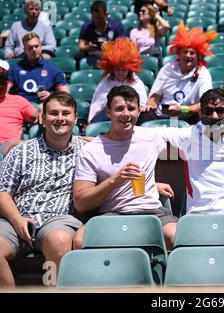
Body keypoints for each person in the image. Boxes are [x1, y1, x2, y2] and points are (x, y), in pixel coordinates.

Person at [0, 92, 84, 287]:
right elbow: (3, 193)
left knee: (59, 240)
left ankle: (51, 288)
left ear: (75, 119)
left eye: (66, 113)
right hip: (17, 219)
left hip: (58, 219)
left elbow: (113, 143)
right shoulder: (21, 151)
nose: (60, 118)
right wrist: (17, 219)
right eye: (53, 113)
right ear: (42, 119)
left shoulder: (86, 151)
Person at [158, 87, 224, 248]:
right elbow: (143, 138)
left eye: (220, 110)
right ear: (201, 114)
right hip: (199, 217)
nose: (214, 116)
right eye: (208, 111)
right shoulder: (189, 135)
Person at [72, 85, 178, 250]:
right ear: (108, 112)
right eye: (119, 109)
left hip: (151, 211)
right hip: (112, 214)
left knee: (176, 235)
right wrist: (115, 180)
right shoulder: (92, 150)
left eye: (131, 108)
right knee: (80, 241)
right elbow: (81, 203)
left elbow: (193, 142)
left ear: (138, 111)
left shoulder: (151, 137)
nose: (126, 114)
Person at [144, 21, 216, 124]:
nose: (188, 56)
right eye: (185, 52)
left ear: (198, 56)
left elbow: (205, 103)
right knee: (144, 114)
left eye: (192, 53)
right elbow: (154, 97)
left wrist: (183, 109)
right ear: (178, 53)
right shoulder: (167, 69)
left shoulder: (203, 74)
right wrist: (150, 105)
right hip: (162, 116)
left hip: (187, 118)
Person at [0, 66, 37, 156]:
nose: (0, 86)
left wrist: (41, 113)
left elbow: (36, 117)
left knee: (22, 145)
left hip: (7, 146)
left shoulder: (18, 100)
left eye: (3, 83)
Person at [88, 38, 148, 123]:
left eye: (123, 70)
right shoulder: (105, 82)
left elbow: (142, 104)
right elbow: (96, 105)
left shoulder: (136, 82)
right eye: (117, 70)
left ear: (129, 70)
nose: (120, 73)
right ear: (112, 69)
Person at [8, 32, 69, 104]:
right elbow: (4, 90)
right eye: (30, 48)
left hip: (45, 107)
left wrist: (52, 97)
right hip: (21, 107)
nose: (34, 49)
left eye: (36, 46)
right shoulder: (15, 68)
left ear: (41, 47)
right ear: (25, 50)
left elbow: (66, 93)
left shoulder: (52, 68)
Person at [76, 0, 125, 66]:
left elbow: (122, 44)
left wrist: (110, 46)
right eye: (94, 18)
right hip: (92, 52)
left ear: (106, 14)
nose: (97, 21)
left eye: (100, 18)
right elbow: (81, 46)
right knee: (79, 56)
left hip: (111, 54)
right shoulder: (86, 27)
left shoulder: (117, 26)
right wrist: (88, 47)